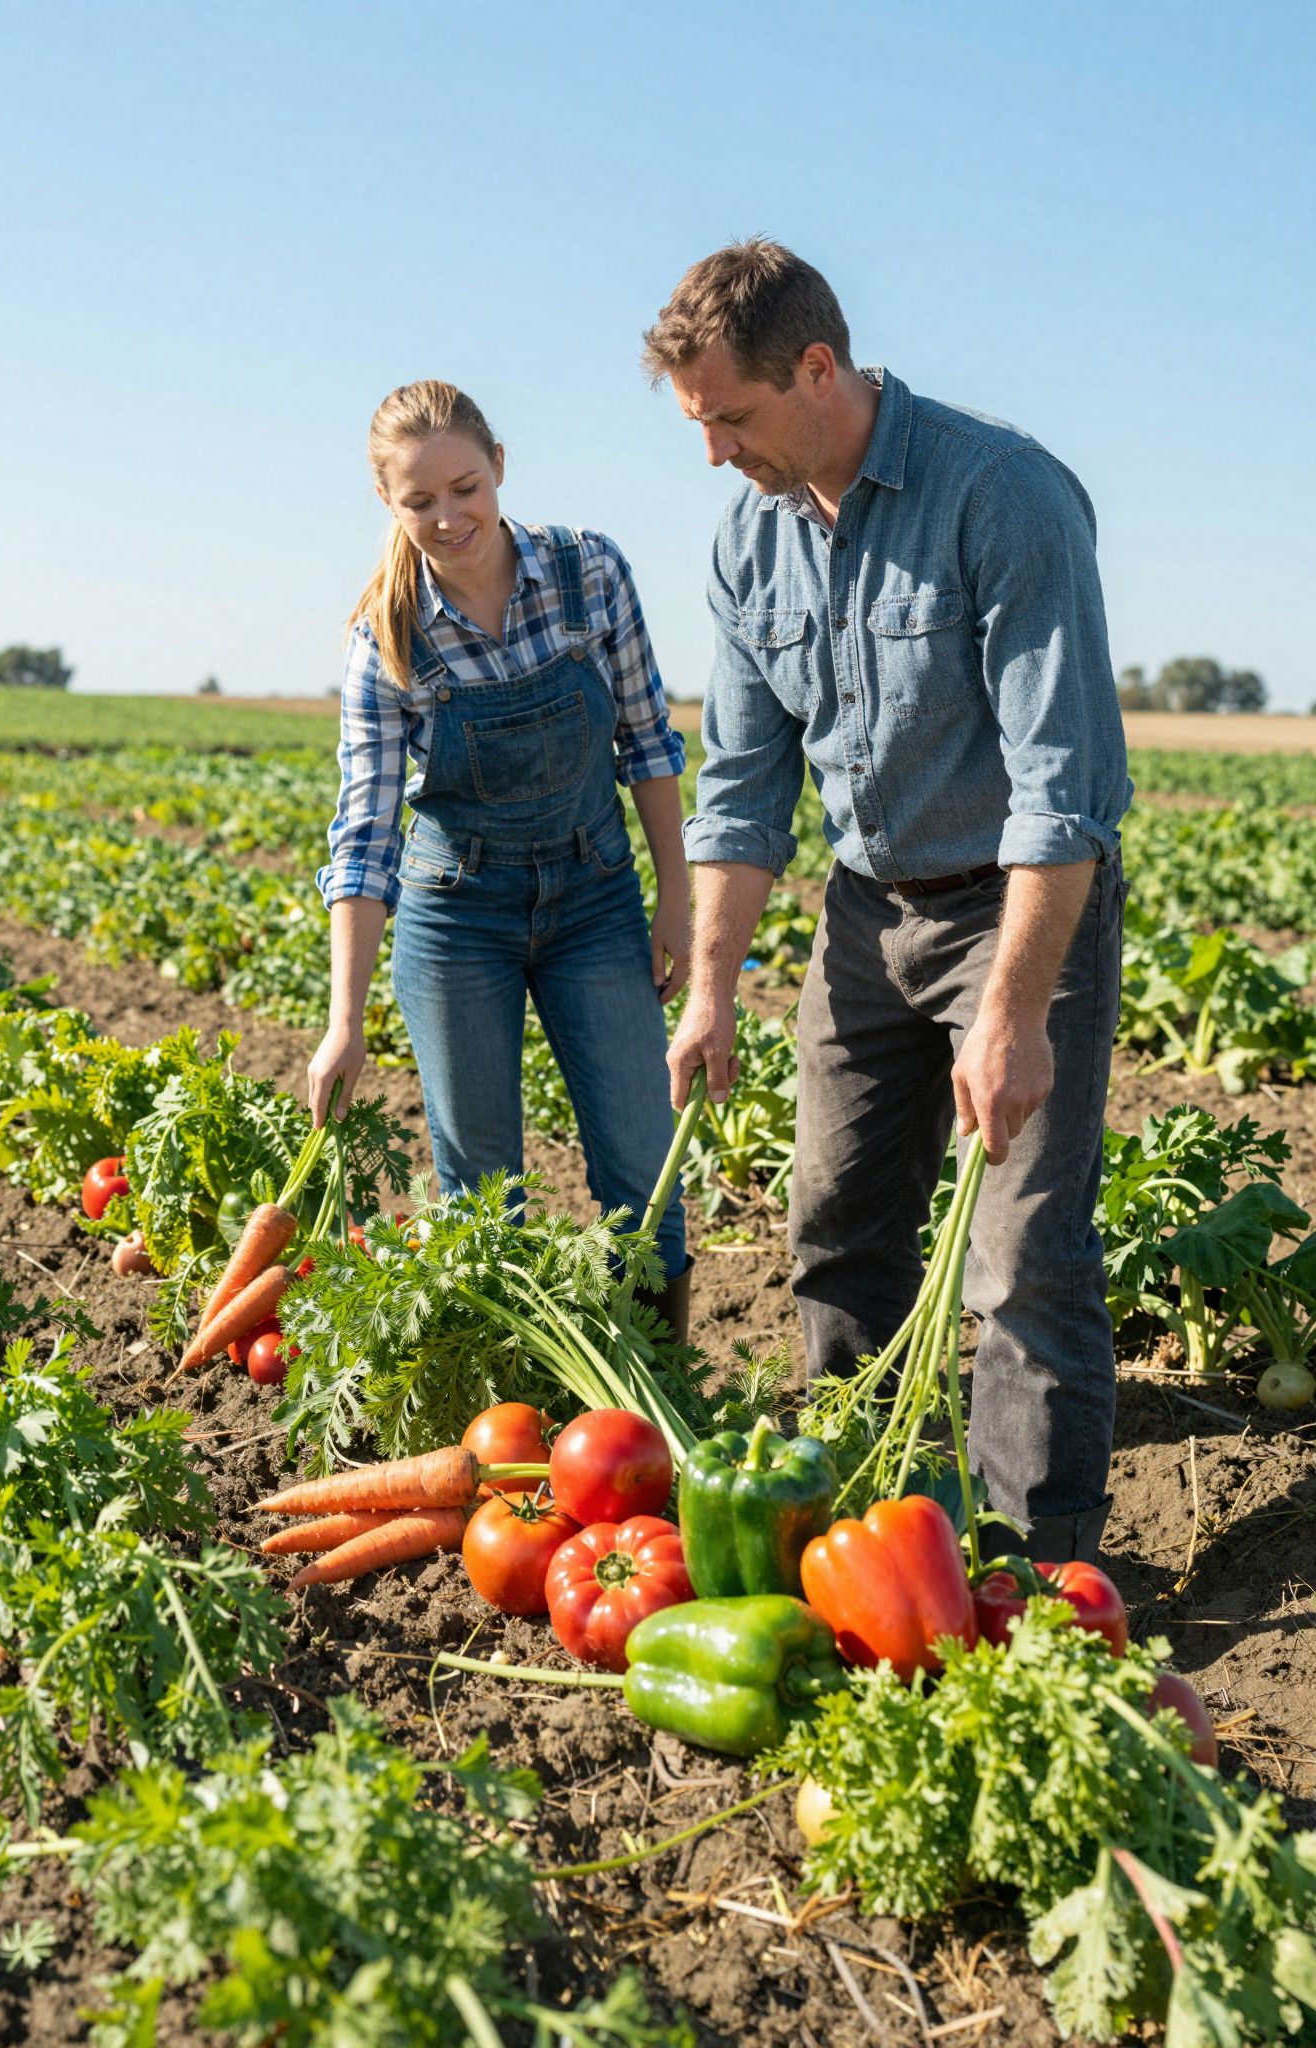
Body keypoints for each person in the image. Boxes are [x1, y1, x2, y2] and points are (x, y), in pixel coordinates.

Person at [644, 240, 1132, 1561]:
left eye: (730, 419)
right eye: (697, 427)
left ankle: (1036, 1568)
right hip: (865, 914)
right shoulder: (751, 538)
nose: (714, 453)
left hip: (1018, 910)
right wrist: (710, 993)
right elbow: (741, 790)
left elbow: (1064, 789)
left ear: (818, 369)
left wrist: (1014, 1014)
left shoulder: (1002, 494)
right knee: (836, 1225)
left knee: (1021, 1254)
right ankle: (867, 1524)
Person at [308, 379, 694, 1331]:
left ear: (500, 469)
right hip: (457, 918)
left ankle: (660, 1386)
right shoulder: (386, 642)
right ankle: (509, 1388)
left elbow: (647, 743)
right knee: (481, 1194)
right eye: (420, 500)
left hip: (594, 898)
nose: (449, 518)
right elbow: (365, 837)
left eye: (465, 488)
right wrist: (344, 1020)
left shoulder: (588, 572)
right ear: (387, 503)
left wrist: (676, 902)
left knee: (644, 1166)